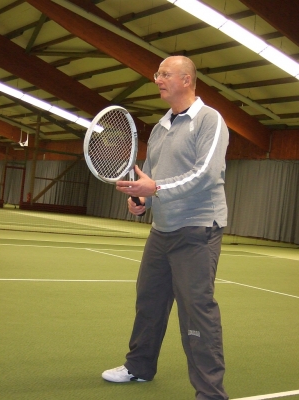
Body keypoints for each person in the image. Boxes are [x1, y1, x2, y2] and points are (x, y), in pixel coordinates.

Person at [102, 55, 229, 400]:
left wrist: (155, 189)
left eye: (165, 74)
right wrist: (143, 202)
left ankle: (210, 393)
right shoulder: (160, 127)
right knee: (149, 302)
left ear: (186, 80)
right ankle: (139, 367)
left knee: (196, 313)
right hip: (162, 232)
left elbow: (206, 173)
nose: (157, 78)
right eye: (157, 73)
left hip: (198, 231)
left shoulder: (209, 120)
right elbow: (151, 177)